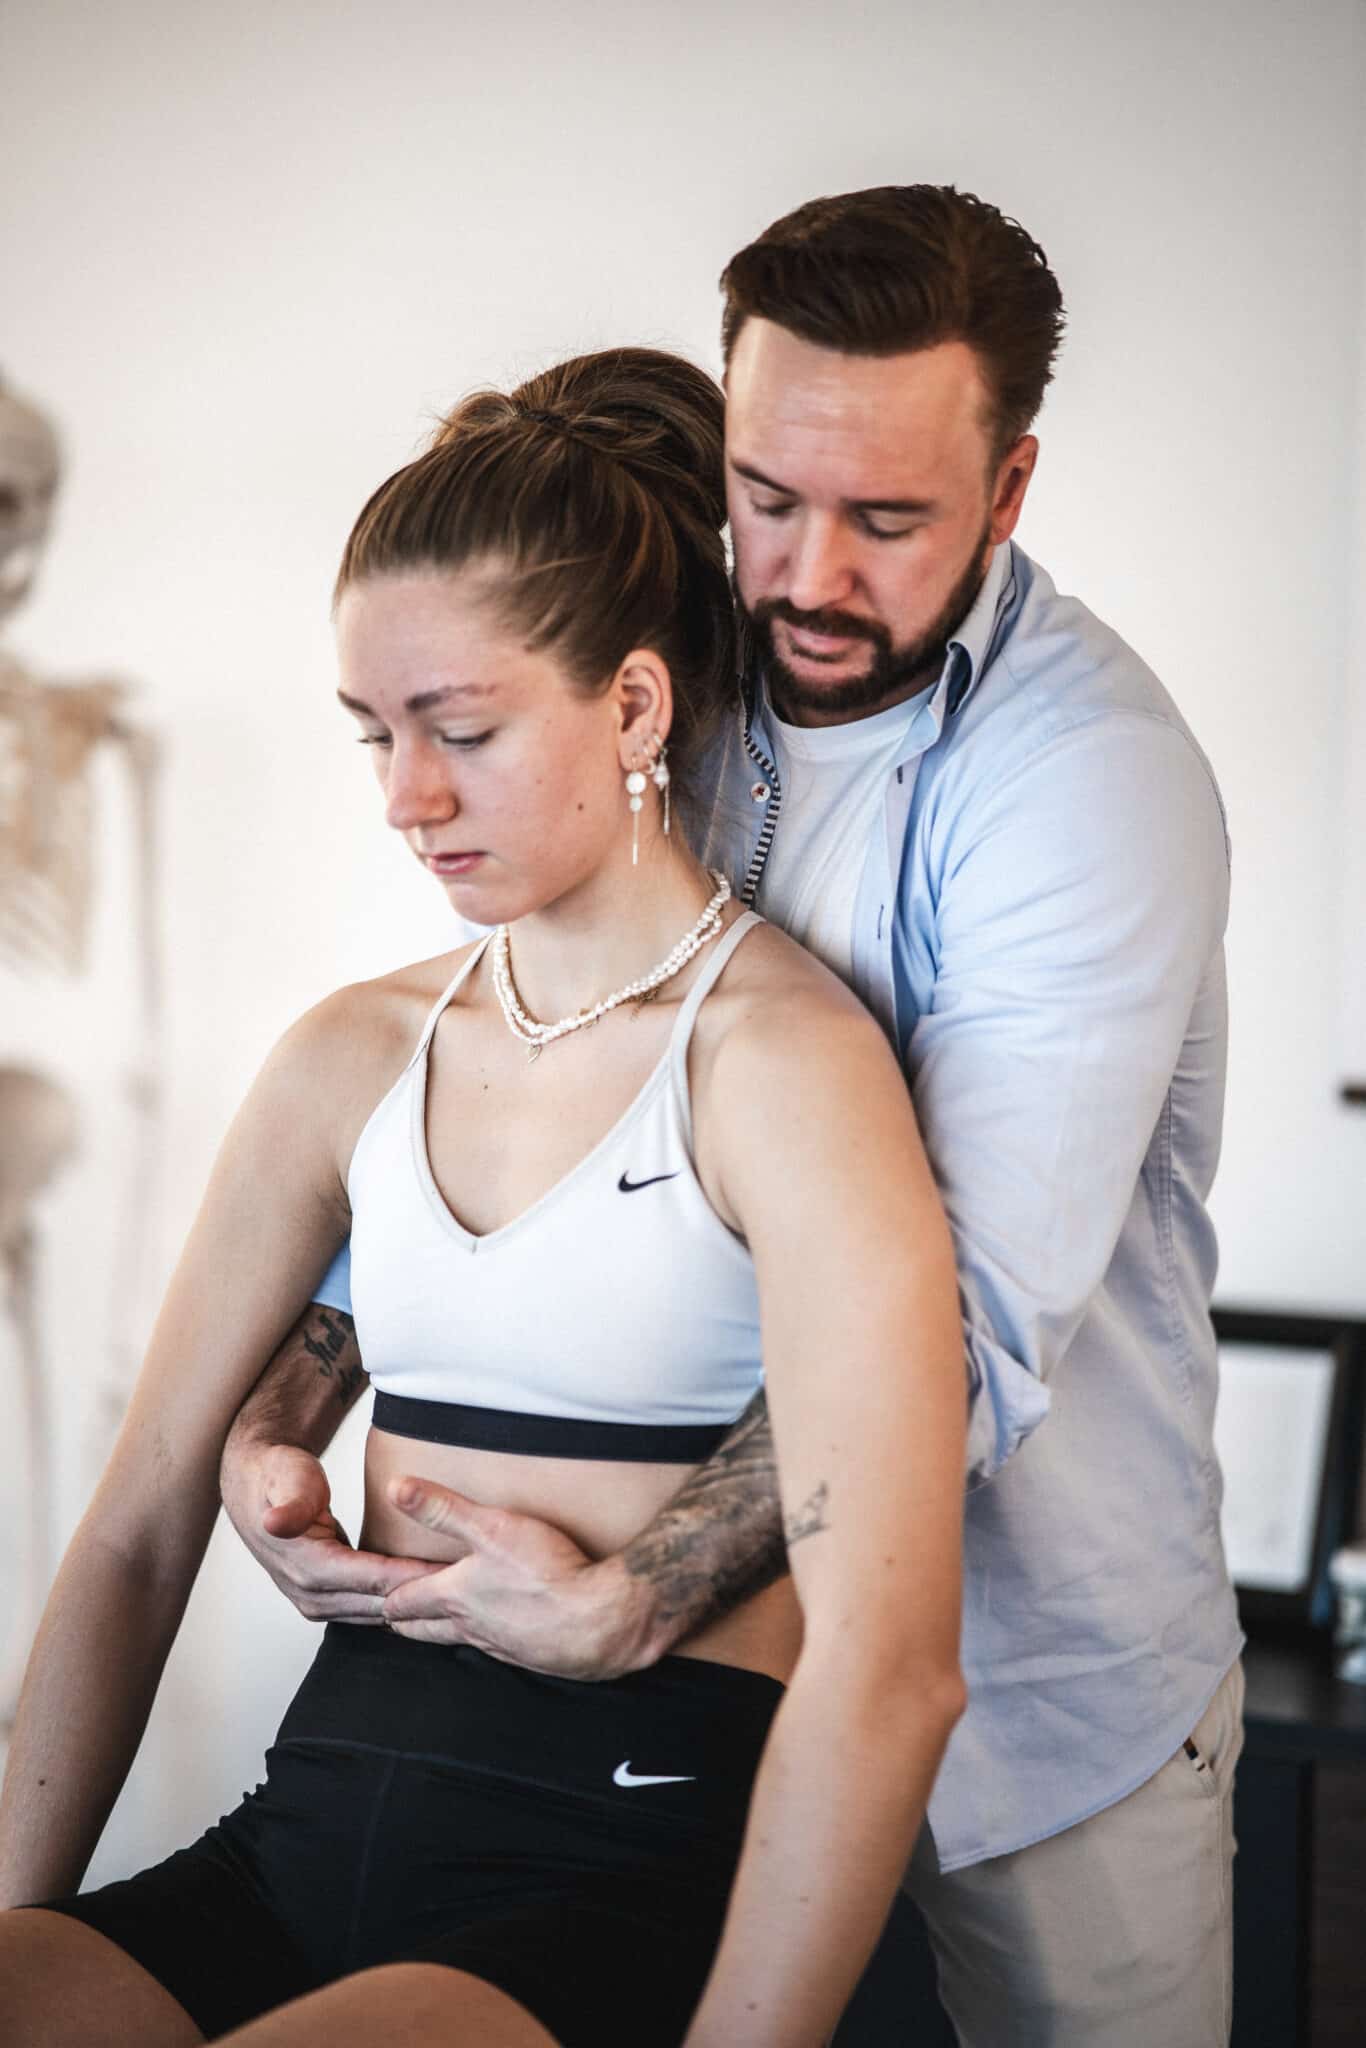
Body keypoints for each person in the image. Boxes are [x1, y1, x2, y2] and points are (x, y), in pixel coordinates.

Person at [224, 187, 1246, 2047]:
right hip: (685, 1738)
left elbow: (957, 1335)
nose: (805, 577)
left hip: (1031, 1716)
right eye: (766, 497)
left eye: (887, 520)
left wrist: (635, 1597)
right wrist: (297, 1396)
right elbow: (547, 1056)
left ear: (1007, 490)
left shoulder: (1088, 788)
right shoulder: (672, 674)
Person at [0, 348, 969, 2047]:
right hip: (302, 1840)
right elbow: (140, 1526)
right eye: (375, 735)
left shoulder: (782, 1068)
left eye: (461, 731)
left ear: (635, 707)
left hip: (614, 1883)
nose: (407, 798)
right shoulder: (352, 1054)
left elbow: (892, 1671)